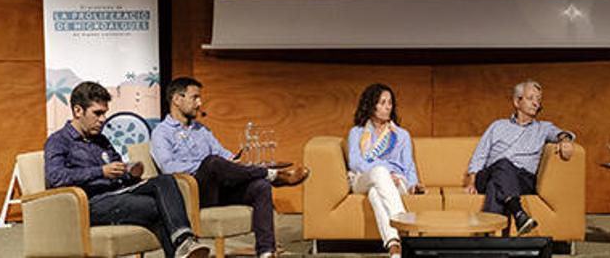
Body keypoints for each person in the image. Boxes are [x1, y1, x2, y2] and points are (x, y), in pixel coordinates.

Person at [44, 81, 210, 258]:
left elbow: (116, 169)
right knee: (161, 206)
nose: (103, 119)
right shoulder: (58, 141)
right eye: (97, 113)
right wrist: (100, 171)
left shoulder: (101, 140)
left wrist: (129, 172)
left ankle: (184, 241)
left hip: (118, 193)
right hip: (90, 203)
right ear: (78, 111)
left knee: (165, 181)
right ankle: (183, 244)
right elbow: (55, 177)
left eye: (104, 113)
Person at [150, 77, 309, 258]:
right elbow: (168, 167)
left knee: (260, 187)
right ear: (177, 99)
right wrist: (207, 165)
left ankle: (266, 251)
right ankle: (271, 175)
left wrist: (232, 162)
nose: (199, 103)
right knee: (212, 162)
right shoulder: (161, 133)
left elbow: (224, 155)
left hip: (219, 188)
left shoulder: (201, 130)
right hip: (192, 193)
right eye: (195, 98)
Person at [464, 80, 574, 235]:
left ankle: (489, 239)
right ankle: (518, 213)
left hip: (522, 179)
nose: (536, 103)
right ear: (517, 101)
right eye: (531, 98)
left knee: (496, 186)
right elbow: (480, 155)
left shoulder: (543, 128)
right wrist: (472, 181)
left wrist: (566, 141)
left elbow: (562, 133)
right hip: (490, 173)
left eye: (538, 100)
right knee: (502, 165)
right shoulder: (497, 126)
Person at [347, 83, 424, 258]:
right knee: (380, 173)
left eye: (390, 103)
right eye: (382, 102)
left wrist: (412, 184)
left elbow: (409, 165)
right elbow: (355, 162)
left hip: (397, 180)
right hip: (363, 178)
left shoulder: (401, 134)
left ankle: (394, 245)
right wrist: (384, 173)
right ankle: (405, 225)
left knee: (375, 193)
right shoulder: (357, 132)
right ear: (371, 105)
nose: (387, 107)